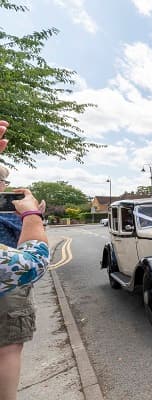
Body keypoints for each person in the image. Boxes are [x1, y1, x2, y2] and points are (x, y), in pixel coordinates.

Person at [0, 120, 50, 400]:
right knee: (7, 347)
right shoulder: (9, 212)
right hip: (10, 283)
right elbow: (34, 257)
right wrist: (33, 217)